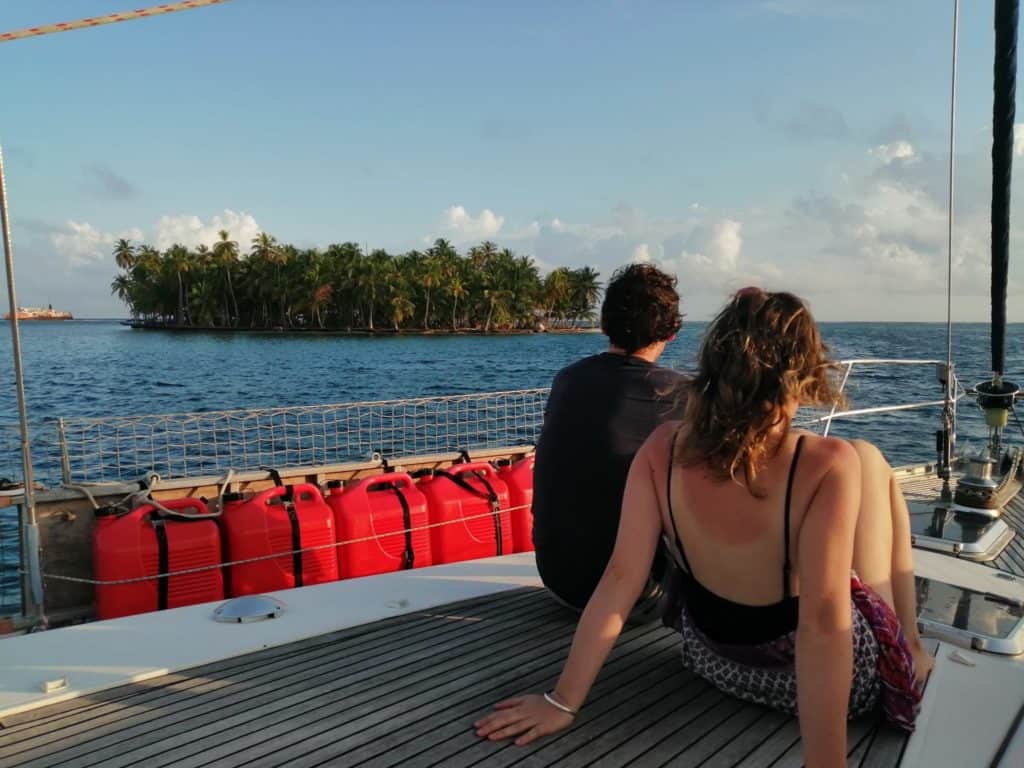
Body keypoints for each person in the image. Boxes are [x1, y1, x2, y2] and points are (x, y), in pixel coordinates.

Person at [476, 288, 932, 765]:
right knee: (870, 458)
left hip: (711, 660)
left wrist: (561, 701)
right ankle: (910, 648)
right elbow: (821, 624)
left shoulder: (662, 447)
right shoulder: (824, 465)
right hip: (807, 679)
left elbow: (619, 581)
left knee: (862, 460)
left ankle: (910, 644)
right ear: (804, 374)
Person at [531, 262, 687, 620]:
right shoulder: (682, 395)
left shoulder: (567, 380)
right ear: (673, 332)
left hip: (559, 580)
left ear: (604, 325)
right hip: (637, 596)